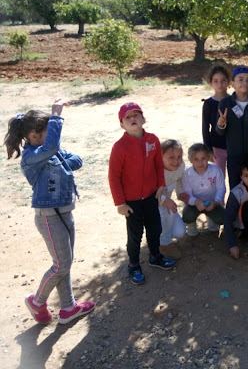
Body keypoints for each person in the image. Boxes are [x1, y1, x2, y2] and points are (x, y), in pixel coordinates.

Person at [4, 99, 95, 324]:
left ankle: (68, 308)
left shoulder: (49, 151)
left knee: (66, 262)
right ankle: (37, 301)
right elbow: (54, 148)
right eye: (49, 131)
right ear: (34, 136)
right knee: (61, 264)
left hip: (65, 212)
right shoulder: (32, 156)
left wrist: (59, 158)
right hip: (49, 218)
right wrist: (56, 117)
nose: (54, 137)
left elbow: (77, 161)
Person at [108, 102, 176, 286]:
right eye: (128, 117)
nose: (133, 119)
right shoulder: (119, 147)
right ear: (121, 124)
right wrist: (120, 203)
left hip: (151, 196)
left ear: (143, 119)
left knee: (155, 228)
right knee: (135, 235)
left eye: (136, 115)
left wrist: (161, 185)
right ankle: (134, 264)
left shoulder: (153, 140)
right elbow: (114, 176)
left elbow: (158, 165)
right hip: (131, 201)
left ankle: (155, 256)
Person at [216, 65, 248, 188]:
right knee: (236, 188)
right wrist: (221, 125)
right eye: (240, 79)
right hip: (234, 155)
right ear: (232, 83)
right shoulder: (225, 103)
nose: (244, 83)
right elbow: (219, 132)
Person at [179, 143, 226, 237]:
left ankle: (213, 222)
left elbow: (221, 189)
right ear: (190, 160)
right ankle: (191, 226)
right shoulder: (187, 174)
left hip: (212, 202)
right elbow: (187, 194)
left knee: (223, 218)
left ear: (208, 157)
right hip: (194, 204)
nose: (200, 163)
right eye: (196, 159)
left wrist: (216, 202)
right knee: (187, 215)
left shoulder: (216, 171)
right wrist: (196, 202)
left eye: (203, 158)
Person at [158, 139, 187, 260]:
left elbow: (179, 180)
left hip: (166, 201)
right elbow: (148, 191)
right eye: (171, 157)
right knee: (168, 211)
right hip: (152, 204)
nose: (176, 161)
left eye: (179, 157)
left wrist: (180, 193)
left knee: (179, 232)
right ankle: (164, 244)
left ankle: (161, 236)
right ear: (160, 157)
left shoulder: (181, 166)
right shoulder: (155, 170)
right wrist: (164, 200)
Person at [202, 65, 230, 177]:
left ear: (228, 81)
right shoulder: (208, 104)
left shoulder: (233, 101)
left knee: (236, 176)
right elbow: (205, 128)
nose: (220, 84)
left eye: (223, 80)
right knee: (218, 177)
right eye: (216, 81)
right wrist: (208, 149)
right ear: (211, 83)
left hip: (234, 146)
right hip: (217, 148)